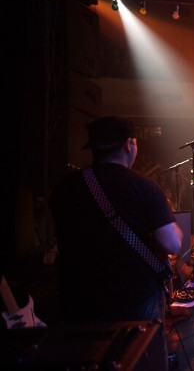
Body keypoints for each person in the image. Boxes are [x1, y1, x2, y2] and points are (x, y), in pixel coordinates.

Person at [50, 116, 183, 370]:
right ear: (129, 144)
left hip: (78, 297)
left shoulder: (65, 188)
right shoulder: (144, 187)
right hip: (133, 298)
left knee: (87, 360)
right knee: (141, 359)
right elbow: (173, 244)